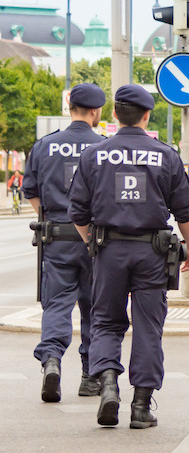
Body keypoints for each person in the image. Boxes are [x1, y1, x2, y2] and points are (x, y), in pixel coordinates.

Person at [67, 84, 189, 428]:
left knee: (106, 321)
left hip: (109, 249)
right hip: (153, 252)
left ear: (113, 115)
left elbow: (77, 211)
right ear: (147, 115)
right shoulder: (165, 155)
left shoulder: (94, 154)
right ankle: (141, 406)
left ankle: (108, 384)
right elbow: (184, 210)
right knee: (148, 327)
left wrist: (92, 242)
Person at [23, 83, 106, 403]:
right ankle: (89, 375)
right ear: (96, 111)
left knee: (56, 306)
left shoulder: (45, 146)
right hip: (94, 241)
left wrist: (50, 219)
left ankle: (52, 361)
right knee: (94, 308)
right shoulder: (103, 147)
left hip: (56, 239)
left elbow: (30, 190)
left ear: (69, 108)